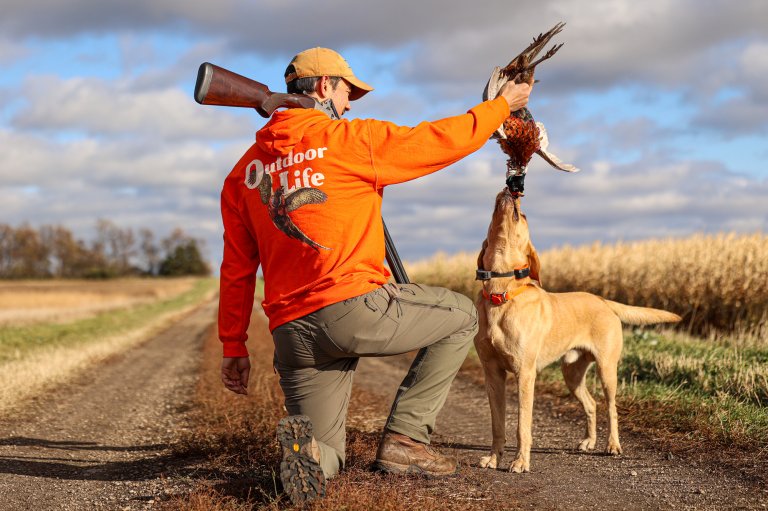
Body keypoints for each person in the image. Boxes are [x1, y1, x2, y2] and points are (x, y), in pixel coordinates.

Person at [218, 47, 532, 505]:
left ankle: (305, 463)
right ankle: (405, 441)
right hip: (351, 309)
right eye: (348, 93)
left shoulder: (241, 175)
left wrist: (233, 344)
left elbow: (236, 269)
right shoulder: (351, 140)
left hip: (292, 335)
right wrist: (502, 105)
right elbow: (439, 140)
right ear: (325, 86)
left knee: (327, 452)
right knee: (462, 314)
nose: (349, 105)